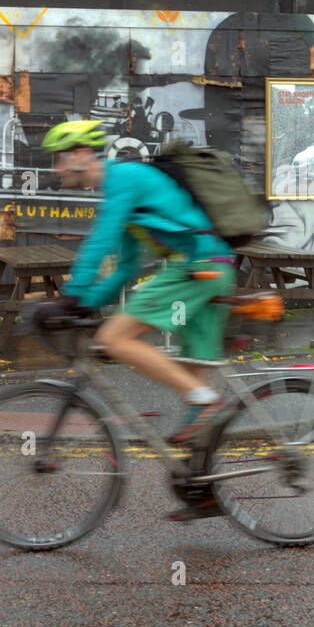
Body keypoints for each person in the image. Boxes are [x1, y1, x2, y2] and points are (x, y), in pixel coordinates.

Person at [34, 121, 238, 519]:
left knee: (115, 339)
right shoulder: (125, 190)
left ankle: (210, 401)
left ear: (80, 155)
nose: (55, 169)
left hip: (200, 269)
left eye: (59, 159)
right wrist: (85, 304)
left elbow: (101, 239)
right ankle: (202, 492)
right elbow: (126, 267)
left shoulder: (122, 178)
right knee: (194, 407)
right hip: (210, 267)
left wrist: (71, 296)